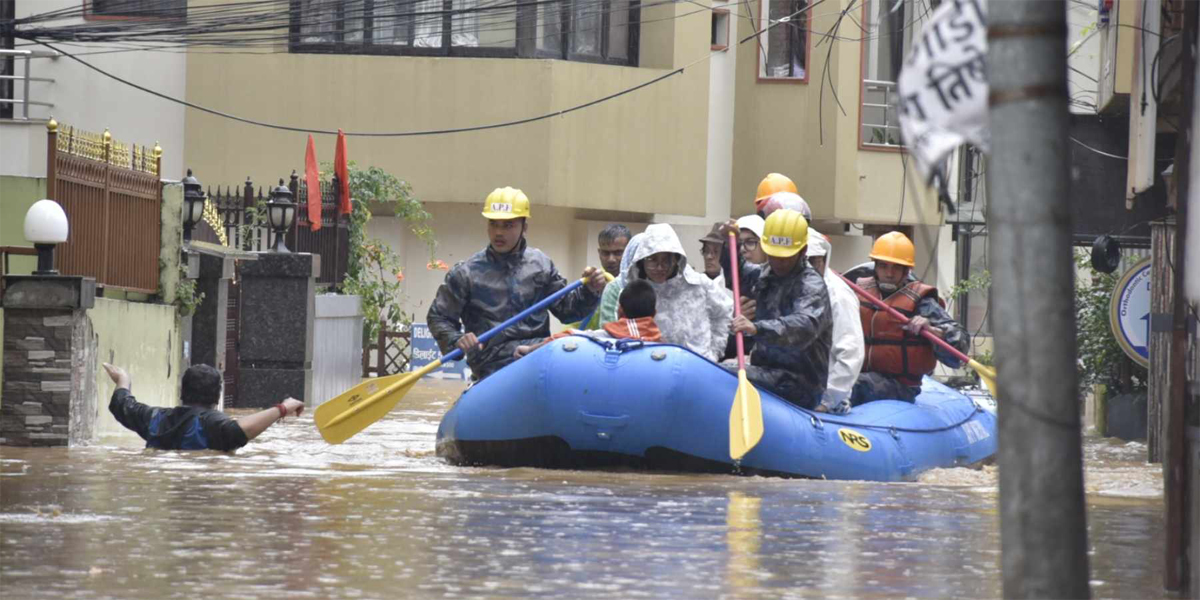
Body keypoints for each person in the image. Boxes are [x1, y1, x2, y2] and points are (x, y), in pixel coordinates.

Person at [427, 186, 609, 381]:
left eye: (508, 225)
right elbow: (438, 317)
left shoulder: (541, 264)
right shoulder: (466, 273)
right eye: (494, 224)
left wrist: (590, 291)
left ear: (525, 227)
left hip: (537, 358)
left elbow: (569, 311)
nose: (498, 232)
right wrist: (456, 340)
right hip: (492, 366)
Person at [721, 209, 832, 410]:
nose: (778, 262)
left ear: (803, 251)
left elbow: (804, 326)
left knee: (727, 374)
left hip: (800, 381)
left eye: (785, 257)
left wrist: (756, 328)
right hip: (765, 369)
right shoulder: (766, 274)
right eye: (773, 255)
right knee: (717, 371)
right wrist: (731, 246)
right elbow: (737, 276)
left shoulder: (811, 285)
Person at [850, 231, 969, 405]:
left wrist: (934, 331)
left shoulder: (922, 302)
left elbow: (959, 345)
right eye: (883, 266)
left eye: (896, 267)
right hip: (858, 373)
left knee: (857, 386)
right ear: (875, 266)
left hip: (899, 385)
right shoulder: (858, 291)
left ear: (906, 271)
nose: (889, 273)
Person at [105, 363, 304, 451]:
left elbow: (122, 405)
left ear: (182, 393)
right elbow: (243, 430)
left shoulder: (156, 417)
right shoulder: (212, 423)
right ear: (217, 397)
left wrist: (123, 379)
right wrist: (284, 408)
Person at [606, 223, 733, 361]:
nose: (660, 267)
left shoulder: (700, 285)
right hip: (652, 369)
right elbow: (620, 331)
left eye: (666, 260)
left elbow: (725, 312)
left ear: (677, 259)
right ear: (642, 260)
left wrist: (714, 352)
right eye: (653, 260)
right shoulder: (634, 294)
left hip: (697, 367)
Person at [514, 279, 663, 357]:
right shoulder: (662, 347)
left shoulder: (602, 338)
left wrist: (529, 349)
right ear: (654, 313)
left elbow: (564, 337)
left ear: (619, 311)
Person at [805, 229, 864, 414]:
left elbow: (850, 353)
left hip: (826, 402)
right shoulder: (788, 289)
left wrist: (827, 401)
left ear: (823, 261)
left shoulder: (838, 296)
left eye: (813, 261)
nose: (808, 267)